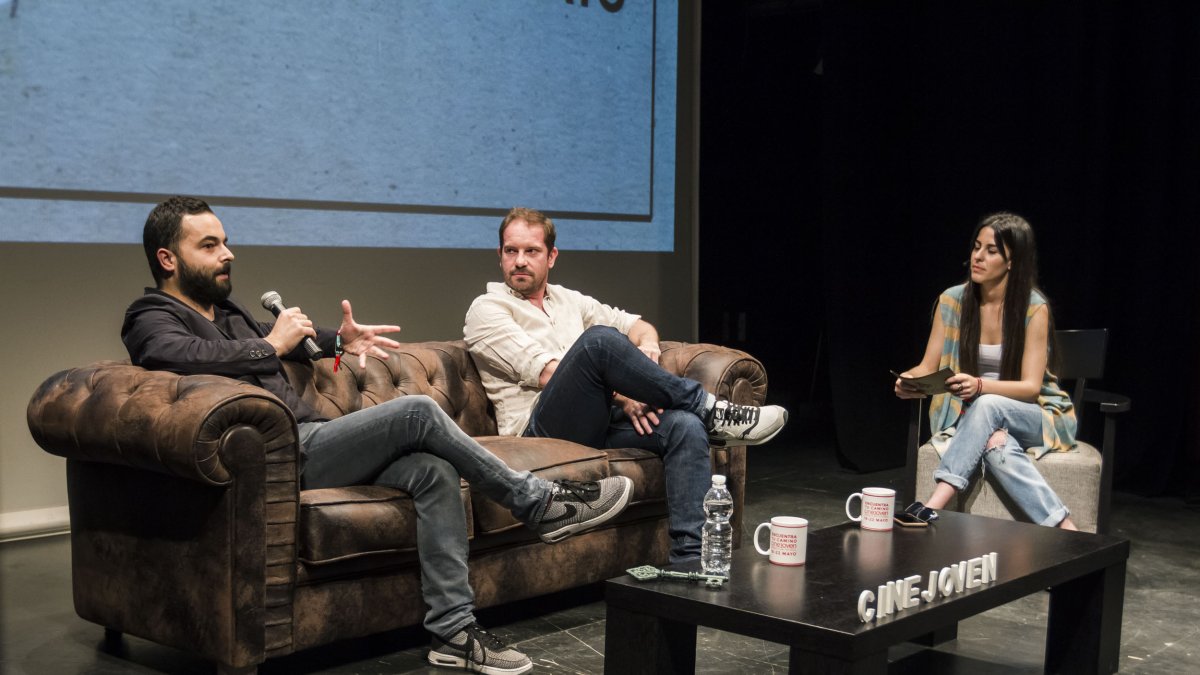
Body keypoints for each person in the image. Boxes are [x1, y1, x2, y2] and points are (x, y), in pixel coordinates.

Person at [121, 196, 635, 675]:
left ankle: (452, 632)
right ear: (168, 259)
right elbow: (176, 356)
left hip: (315, 439)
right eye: (209, 246)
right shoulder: (151, 316)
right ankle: (537, 502)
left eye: (225, 241)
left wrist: (338, 340)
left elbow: (299, 346)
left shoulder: (230, 315)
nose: (227, 254)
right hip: (281, 455)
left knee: (433, 471)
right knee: (416, 412)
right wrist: (268, 346)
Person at [463, 207, 789, 564]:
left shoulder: (569, 300)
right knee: (599, 342)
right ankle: (710, 409)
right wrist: (625, 396)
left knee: (684, 426)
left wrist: (647, 347)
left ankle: (691, 561)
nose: (520, 261)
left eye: (531, 251)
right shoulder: (486, 309)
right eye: (511, 251)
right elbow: (550, 374)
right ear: (500, 256)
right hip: (537, 433)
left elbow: (636, 324)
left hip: (593, 424)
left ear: (551, 256)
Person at [894, 212, 1078, 530]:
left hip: (1035, 415)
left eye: (991, 251)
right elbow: (928, 365)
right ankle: (1064, 527)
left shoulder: (1034, 308)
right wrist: (909, 382)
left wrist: (980, 386)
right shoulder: (952, 302)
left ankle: (932, 504)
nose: (978, 257)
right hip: (973, 419)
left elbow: (1031, 388)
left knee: (988, 404)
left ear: (1012, 261)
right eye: (976, 247)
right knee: (995, 444)